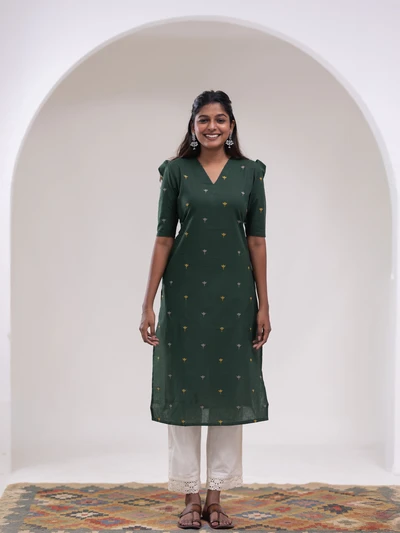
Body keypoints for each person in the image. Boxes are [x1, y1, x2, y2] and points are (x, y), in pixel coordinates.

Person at [140, 90, 271, 529]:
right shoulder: (176, 172)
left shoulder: (250, 174)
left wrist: (264, 304)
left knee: (228, 391)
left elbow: (257, 240)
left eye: (220, 119)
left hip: (234, 299)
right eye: (203, 120)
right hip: (184, 296)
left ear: (231, 126)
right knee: (184, 391)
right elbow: (164, 238)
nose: (211, 126)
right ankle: (189, 497)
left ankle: (217, 496)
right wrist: (147, 303)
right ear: (193, 126)